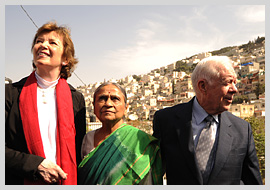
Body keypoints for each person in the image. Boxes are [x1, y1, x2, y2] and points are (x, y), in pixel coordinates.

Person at [153, 56, 263, 185]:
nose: (234, 89)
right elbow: (154, 174)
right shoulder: (166, 120)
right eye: (227, 83)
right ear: (203, 86)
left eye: (235, 83)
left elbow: (253, 182)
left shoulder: (243, 130)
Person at [5, 22, 86, 185]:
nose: (43, 45)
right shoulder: (10, 94)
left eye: (52, 42)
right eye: (38, 41)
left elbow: (78, 151)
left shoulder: (75, 98)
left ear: (65, 59)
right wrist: (34, 165)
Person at [78, 82, 163, 185]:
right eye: (102, 98)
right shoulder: (87, 138)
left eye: (115, 99)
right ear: (93, 106)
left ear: (126, 108)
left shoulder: (140, 141)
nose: (108, 104)